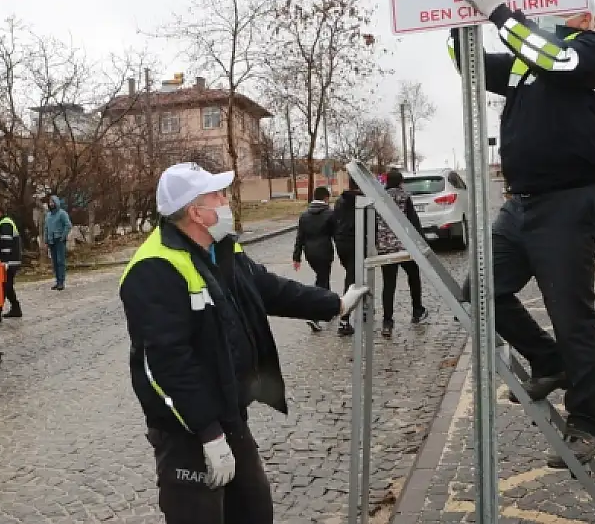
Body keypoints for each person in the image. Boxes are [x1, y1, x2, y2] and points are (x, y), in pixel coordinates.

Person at [119, 162, 368, 524]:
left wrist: (335, 304)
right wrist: (207, 433)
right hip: (187, 432)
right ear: (195, 212)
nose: (225, 201)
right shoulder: (153, 269)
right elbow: (166, 364)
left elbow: (269, 290)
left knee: (254, 511)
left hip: (231, 415)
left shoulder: (222, 250)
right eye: (217, 196)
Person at [451, 0, 595, 466]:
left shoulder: (592, 51)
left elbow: (552, 56)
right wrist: (452, 16)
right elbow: (471, 65)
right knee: (480, 292)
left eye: (557, 10)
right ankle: (549, 361)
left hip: (569, 203)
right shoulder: (528, 61)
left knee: (572, 317)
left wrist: (501, 13)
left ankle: (587, 424)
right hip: (519, 204)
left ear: (583, 18)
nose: (542, 16)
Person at [375, 169, 428, 338]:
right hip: (404, 246)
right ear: (400, 182)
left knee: (388, 285)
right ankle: (417, 310)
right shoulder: (404, 197)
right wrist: (421, 241)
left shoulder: (378, 197)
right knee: (414, 276)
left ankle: (387, 322)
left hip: (385, 247)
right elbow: (413, 220)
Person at [293, 186, 336, 332]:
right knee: (321, 281)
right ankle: (314, 315)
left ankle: (330, 307)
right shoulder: (330, 213)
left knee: (323, 277)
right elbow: (336, 234)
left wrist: (296, 257)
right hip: (324, 251)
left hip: (310, 253)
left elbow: (300, 237)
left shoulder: (304, 215)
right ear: (325, 198)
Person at [332, 177, 361, 336]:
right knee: (351, 280)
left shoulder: (339, 201)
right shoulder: (362, 201)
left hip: (341, 243)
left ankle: (362, 308)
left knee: (354, 276)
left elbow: (335, 221)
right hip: (355, 243)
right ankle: (344, 319)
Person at [0, 205, 23, 319]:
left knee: (5, 285)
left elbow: (6, 242)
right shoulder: (2, 222)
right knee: (6, 285)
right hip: (8, 260)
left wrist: (4, 261)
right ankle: (14, 309)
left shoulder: (5, 223)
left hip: (9, 260)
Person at [43, 195, 72, 291]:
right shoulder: (48, 215)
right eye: (50, 202)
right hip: (51, 241)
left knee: (60, 261)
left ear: (56, 203)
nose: (51, 204)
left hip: (59, 240)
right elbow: (46, 228)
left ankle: (61, 282)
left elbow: (68, 225)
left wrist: (63, 236)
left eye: (53, 202)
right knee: (54, 262)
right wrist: (46, 240)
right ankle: (57, 281)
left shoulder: (62, 213)